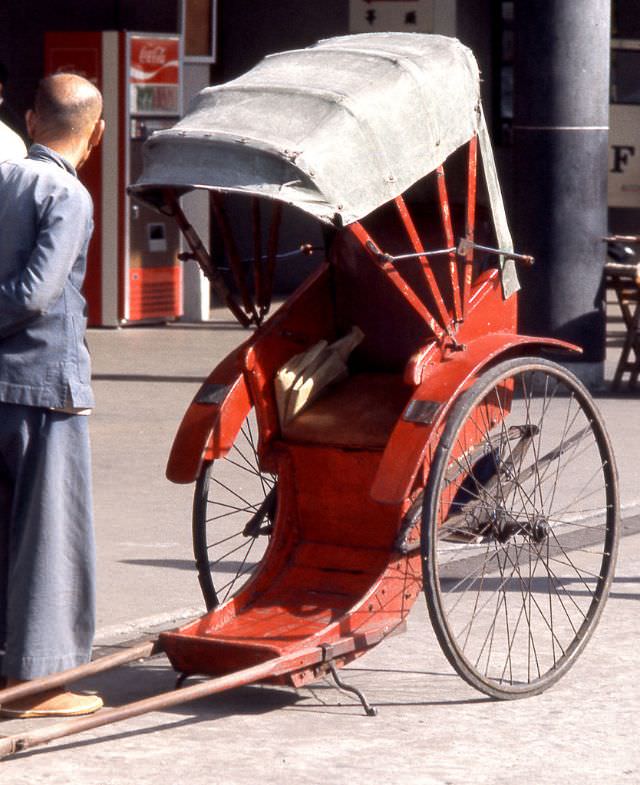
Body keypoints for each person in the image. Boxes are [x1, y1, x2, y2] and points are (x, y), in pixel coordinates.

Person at [0, 73, 105, 718]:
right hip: (44, 384)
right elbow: (36, 295)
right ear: (95, 135)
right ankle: (37, 684)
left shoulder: (5, 178)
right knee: (47, 534)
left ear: (32, 120)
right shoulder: (66, 191)